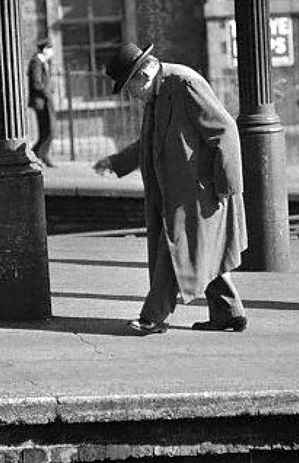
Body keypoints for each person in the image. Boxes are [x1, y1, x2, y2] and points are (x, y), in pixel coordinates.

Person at [93, 42, 249, 335]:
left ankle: (152, 317)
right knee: (198, 251)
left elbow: (225, 130)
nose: (131, 96)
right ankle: (229, 312)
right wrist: (116, 161)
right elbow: (148, 143)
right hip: (176, 191)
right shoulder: (157, 93)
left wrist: (227, 188)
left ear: (144, 74)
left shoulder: (184, 84)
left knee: (176, 250)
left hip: (200, 191)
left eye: (129, 87)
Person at [27, 38, 56, 168]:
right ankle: (34, 155)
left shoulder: (43, 62)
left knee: (47, 130)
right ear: (44, 49)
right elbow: (36, 83)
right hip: (41, 102)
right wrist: (47, 92)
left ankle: (44, 156)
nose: (51, 51)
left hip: (45, 101)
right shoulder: (36, 62)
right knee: (49, 129)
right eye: (50, 48)